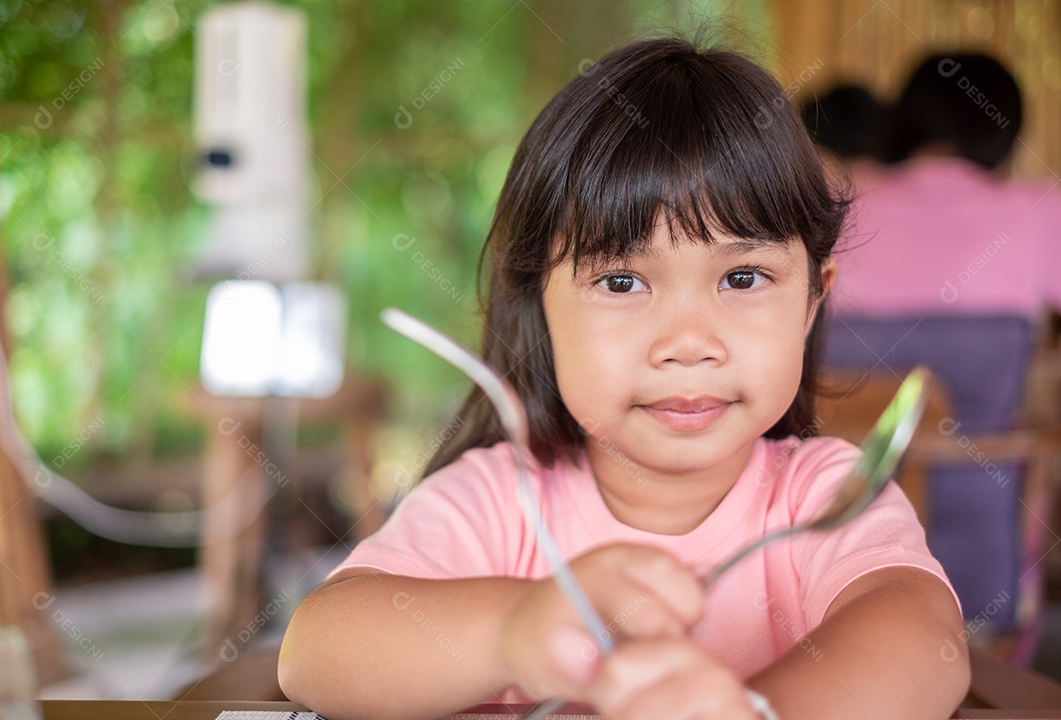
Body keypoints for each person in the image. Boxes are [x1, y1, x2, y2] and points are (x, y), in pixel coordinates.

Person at [279, 37, 969, 720]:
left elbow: (920, 637)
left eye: (742, 277)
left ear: (814, 297)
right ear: (539, 304)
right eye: (620, 280)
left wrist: (757, 713)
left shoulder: (824, 495)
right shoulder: (499, 499)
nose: (688, 343)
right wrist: (512, 631)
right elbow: (316, 651)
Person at [826, 52, 1061, 654]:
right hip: (976, 560)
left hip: (828, 546)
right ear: (1004, 131)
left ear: (901, 120)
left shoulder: (831, 204)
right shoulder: (1039, 212)